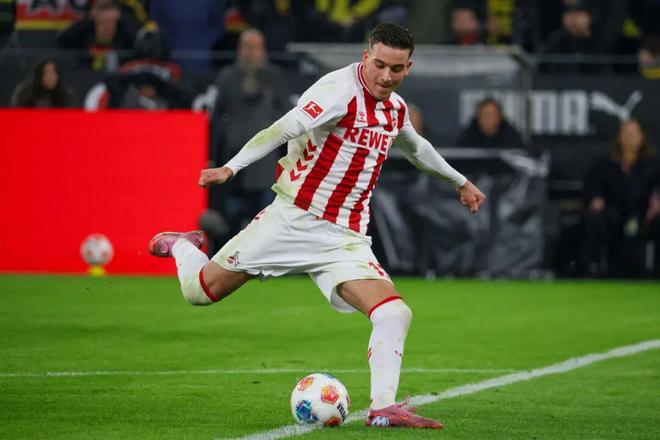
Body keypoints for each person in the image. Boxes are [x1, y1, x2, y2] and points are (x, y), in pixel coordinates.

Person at [148, 22, 485, 429]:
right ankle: (183, 245)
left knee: (394, 313)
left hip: (345, 237)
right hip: (293, 219)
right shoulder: (337, 92)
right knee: (199, 292)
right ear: (366, 57)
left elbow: (416, 147)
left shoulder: (395, 110)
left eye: (396, 69)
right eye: (379, 65)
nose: (385, 76)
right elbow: (282, 129)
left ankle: (382, 409)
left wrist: (460, 182)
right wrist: (230, 168)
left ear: (407, 68)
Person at [209, 28, 290, 253]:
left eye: (255, 47)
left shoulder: (275, 77)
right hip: (233, 164)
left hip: (266, 166)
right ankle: (230, 261)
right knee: (230, 222)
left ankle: (267, 261)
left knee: (267, 221)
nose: (250, 52)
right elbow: (217, 117)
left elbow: (288, 116)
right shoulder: (227, 77)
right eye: (246, 46)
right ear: (239, 49)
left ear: (263, 50)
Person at [581, 119, 656, 277]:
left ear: (641, 137)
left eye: (633, 134)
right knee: (594, 218)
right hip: (612, 214)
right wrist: (596, 199)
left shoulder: (653, 165)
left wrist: (656, 203)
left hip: (642, 215)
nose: (630, 138)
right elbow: (593, 188)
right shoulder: (603, 164)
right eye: (626, 134)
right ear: (619, 137)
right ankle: (591, 269)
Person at [57, 0, 138, 70]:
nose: (107, 27)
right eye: (103, 22)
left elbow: (138, 44)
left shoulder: (125, 36)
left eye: (110, 22)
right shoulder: (84, 34)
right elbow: (61, 40)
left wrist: (123, 19)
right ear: (94, 21)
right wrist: (88, 19)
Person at [456, 98, 523, 149]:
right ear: (478, 116)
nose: (488, 118)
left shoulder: (512, 137)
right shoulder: (466, 138)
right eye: (485, 114)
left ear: (500, 116)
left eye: (492, 115)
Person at [11, 58, 75, 108]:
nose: (51, 77)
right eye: (48, 73)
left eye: (54, 73)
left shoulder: (65, 94)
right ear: (39, 75)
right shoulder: (24, 93)